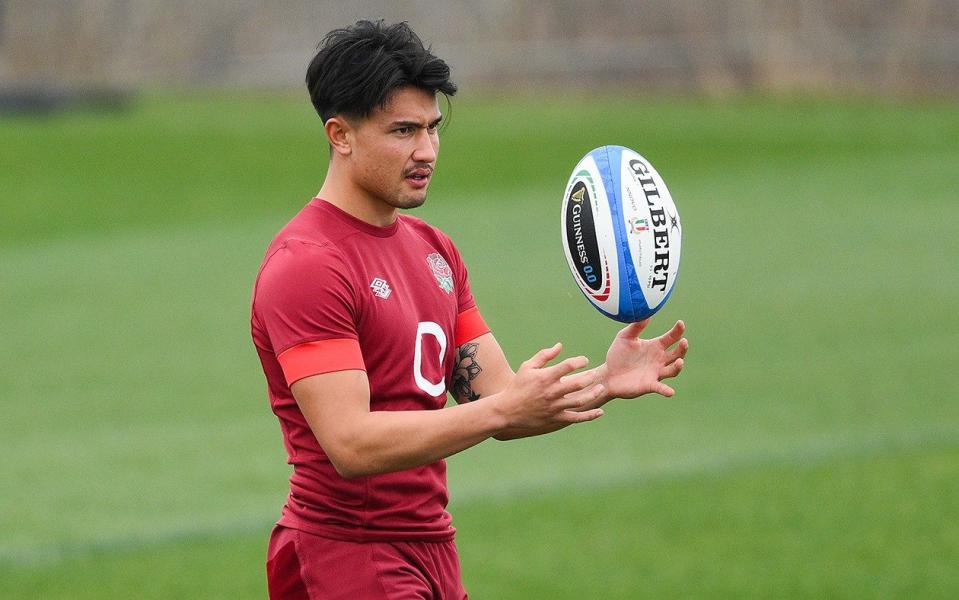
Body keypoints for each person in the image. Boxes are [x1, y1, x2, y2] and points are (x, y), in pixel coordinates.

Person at [250, 19, 689, 600]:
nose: (426, 151)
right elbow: (351, 445)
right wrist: (502, 412)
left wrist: (605, 381)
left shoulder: (435, 251)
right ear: (340, 134)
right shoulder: (308, 264)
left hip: (431, 548)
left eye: (433, 128)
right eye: (403, 131)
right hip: (345, 552)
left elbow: (501, 397)